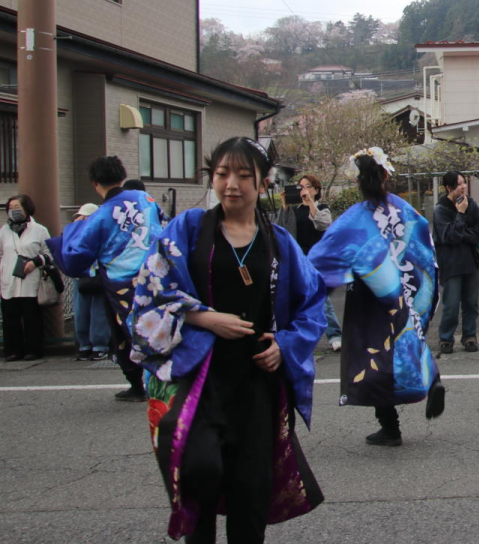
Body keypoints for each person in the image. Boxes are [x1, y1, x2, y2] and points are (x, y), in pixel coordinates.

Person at [127, 137, 326, 542]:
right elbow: (147, 295)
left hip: (256, 385)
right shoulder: (186, 231)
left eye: (242, 175)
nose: (231, 183)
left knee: (250, 494)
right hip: (198, 381)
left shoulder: (280, 244)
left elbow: (312, 306)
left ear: (264, 181)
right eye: (221, 174)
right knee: (199, 472)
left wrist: (283, 346)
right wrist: (204, 317)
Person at [309, 147, 445, 446]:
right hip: (407, 292)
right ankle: (430, 375)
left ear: (359, 180)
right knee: (409, 338)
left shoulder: (354, 219)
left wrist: (314, 288)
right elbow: (426, 249)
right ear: (386, 174)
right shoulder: (407, 210)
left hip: (370, 302)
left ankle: (390, 426)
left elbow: (323, 258)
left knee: (374, 358)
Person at [50, 156, 162, 400]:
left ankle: (147, 383)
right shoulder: (146, 199)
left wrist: (70, 233)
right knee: (152, 326)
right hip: (156, 273)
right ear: (122, 176)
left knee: (129, 332)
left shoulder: (102, 215)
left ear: (95, 183)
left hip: (122, 282)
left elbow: (76, 256)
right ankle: (150, 382)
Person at [277, 174, 341, 352]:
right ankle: (292, 336)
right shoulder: (294, 210)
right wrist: (284, 206)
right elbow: (281, 230)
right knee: (293, 298)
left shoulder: (323, 208)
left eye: (307, 186)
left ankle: (335, 335)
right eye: (300, 187)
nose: (303, 190)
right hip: (298, 259)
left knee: (322, 299)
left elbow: (322, 224)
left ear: (316, 190)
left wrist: (311, 202)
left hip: (318, 260)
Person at [432, 170, 479, 355]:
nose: (463, 186)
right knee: (452, 304)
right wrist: (461, 215)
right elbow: (450, 236)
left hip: (471, 261)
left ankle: (470, 336)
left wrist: (464, 234)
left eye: (464, 182)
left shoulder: (471, 203)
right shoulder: (441, 209)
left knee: (471, 303)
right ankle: (446, 338)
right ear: (449, 188)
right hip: (451, 264)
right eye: (459, 184)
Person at [1, 194, 55, 362]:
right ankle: (13, 350)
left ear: (26, 209)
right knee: (10, 318)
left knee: (32, 317)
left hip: (31, 279)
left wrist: (36, 261)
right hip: (9, 280)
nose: (13, 211)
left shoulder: (39, 230)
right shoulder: (4, 231)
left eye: (17, 208)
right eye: (11, 208)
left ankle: (34, 349)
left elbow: (49, 254)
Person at [64, 203, 111, 361]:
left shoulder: (103, 231)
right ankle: (84, 345)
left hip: (98, 275)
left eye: (86, 217)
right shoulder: (74, 232)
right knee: (81, 313)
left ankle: (99, 345)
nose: (83, 220)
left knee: (98, 313)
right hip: (81, 276)